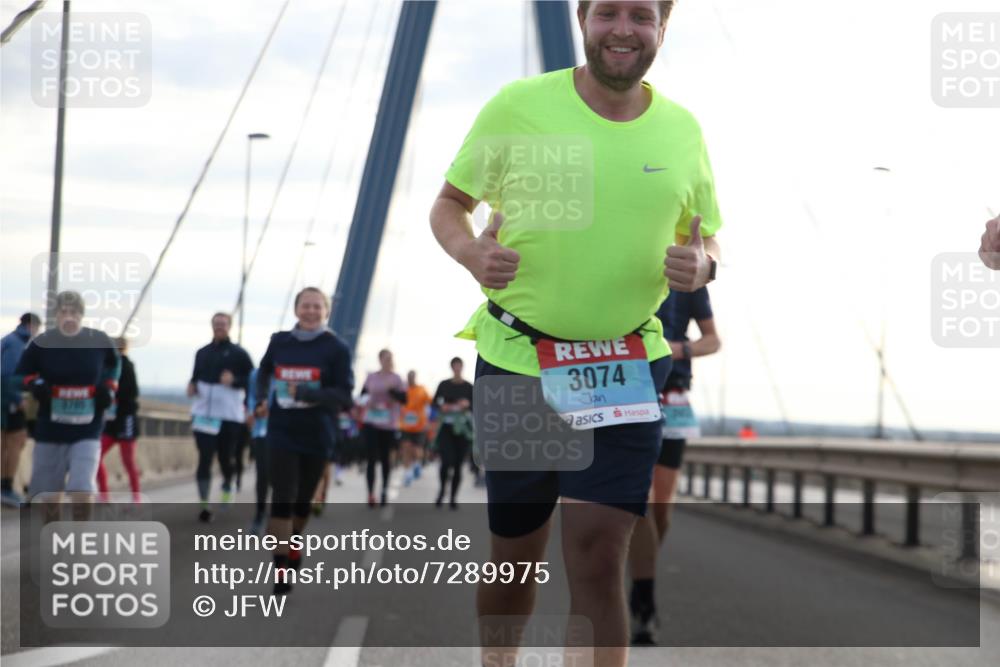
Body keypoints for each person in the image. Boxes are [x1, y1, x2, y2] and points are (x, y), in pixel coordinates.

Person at [428, 1, 722, 663]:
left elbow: (708, 238)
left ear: (662, 30)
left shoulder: (683, 130)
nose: (624, 28)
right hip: (523, 361)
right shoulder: (519, 106)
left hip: (625, 363)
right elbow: (450, 204)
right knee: (517, 557)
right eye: (607, 12)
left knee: (597, 553)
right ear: (583, 21)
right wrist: (470, 251)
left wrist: (702, 264)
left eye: (641, 16)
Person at [627, 286, 720, 644]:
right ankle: (644, 601)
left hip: (675, 394)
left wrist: (680, 348)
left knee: (662, 509)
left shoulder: (689, 275)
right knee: (640, 503)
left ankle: (639, 576)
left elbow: (713, 340)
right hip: (631, 388)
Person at [254, 287, 353, 595]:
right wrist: (260, 398)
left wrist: (308, 393)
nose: (310, 311)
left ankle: (294, 540)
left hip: (317, 433)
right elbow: (264, 372)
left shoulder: (336, 348)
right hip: (282, 430)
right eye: (305, 306)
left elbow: (344, 395)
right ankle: (281, 566)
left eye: (316, 306)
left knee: (302, 502)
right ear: (296, 310)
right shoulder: (279, 341)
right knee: (281, 497)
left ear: (326, 311)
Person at [15, 292, 120, 505]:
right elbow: (20, 375)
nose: (69, 317)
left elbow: (115, 366)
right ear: (56, 315)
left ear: (81, 315)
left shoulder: (99, 341)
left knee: (82, 490)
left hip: (87, 429)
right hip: (50, 429)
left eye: (74, 312)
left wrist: (108, 388)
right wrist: (35, 384)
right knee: (48, 498)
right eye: (64, 312)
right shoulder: (41, 344)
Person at [188, 312, 254, 523]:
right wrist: (191, 385)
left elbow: (252, 381)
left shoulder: (240, 354)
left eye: (223, 324)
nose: (219, 327)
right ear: (212, 326)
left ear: (230, 326)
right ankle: (204, 504)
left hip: (229, 416)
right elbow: (195, 376)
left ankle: (229, 482)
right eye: (216, 324)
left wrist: (235, 380)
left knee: (227, 457)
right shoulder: (202, 353)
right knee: (204, 457)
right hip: (204, 415)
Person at [1, 312, 41, 507]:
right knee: (15, 441)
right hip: (6, 401)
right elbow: (8, 374)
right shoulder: (16, 343)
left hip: (5, 399)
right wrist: (17, 399)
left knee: (10, 443)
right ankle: (6, 489)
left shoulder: (10, 340)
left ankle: (6, 488)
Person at [96, 337, 142, 503]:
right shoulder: (106, 367)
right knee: (96, 456)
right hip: (110, 421)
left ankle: (136, 497)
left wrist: (113, 396)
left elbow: (132, 393)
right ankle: (104, 495)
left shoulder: (126, 366)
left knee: (128, 460)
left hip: (126, 419)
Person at [359, 349, 405, 507]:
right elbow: (362, 395)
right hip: (371, 421)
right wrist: (367, 401)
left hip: (389, 424)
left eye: (390, 358)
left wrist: (391, 392)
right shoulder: (371, 377)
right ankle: (371, 493)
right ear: (379, 359)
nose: (388, 361)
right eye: (385, 358)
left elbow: (404, 399)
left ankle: (384, 490)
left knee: (386, 459)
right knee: (371, 459)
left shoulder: (397, 379)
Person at [432, 357, 474, 509]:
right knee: (445, 462)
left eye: (459, 366)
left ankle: (453, 497)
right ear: (451, 367)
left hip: (463, 430)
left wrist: (467, 405)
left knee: (458, 464)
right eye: (454, 366)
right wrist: (442, 406)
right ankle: (442, 490)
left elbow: (477, 406)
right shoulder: (444, 385)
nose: (457, 368)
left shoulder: (469, 387)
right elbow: (435, 402)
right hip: (446, 428)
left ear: (462, 367)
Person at [246, 367, 270, 535]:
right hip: (261, 431)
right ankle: (260, 514)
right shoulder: (256, 375)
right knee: (262, 475)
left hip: (287, 433)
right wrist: (254, 411)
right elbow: (251, 398)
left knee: (282, 479)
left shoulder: (294, 368)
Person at [399, 370, 432, 487]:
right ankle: (408, 473)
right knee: (406, 448)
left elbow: (430, 403)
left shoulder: (422, 389)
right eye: (409, 376)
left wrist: (429, 421)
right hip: (405, 425)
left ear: (415, 377)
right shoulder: (403, 390)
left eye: (412, 376)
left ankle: (417, 463)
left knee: (417, 450)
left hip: (419, 426)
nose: (410, 378)